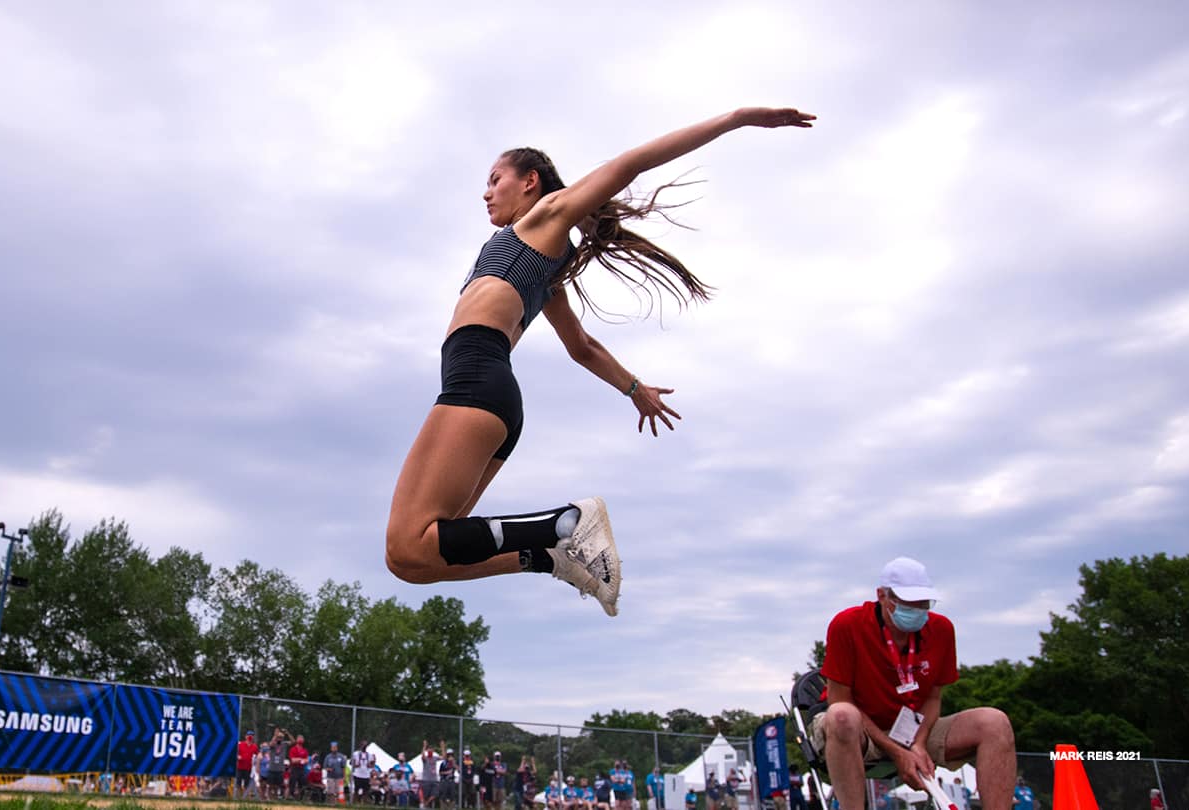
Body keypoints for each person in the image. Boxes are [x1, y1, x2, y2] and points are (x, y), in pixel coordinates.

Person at [383, 106, 816, 617]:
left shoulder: (547, 217)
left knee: (407, 543)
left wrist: (737, 119)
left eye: (494, 179)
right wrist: (635, 389)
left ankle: (566, 526)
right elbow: (581, 347)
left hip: (477, 378)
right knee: (421, 560)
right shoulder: (544, 268)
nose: (485, 192)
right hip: (494, 396)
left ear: (530, 182)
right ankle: (548, 555)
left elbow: (630, 163)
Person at [815, 557, 1017, 810]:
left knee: (994, 722)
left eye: (923, 603)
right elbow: (839, 699)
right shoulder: (847, 625)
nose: (917, 609)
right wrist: (898, 752)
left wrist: (918, 744)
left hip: (914, 730)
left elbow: (933, 698)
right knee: (841, 715)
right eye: (907, 602)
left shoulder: (942, 629)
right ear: (882, 596)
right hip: (861, 732)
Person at [236, 731, 258, 800]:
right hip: (240, 767)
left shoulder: (254, 747)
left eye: (252, 735)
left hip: (248, 768)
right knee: (238, 783)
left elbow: (257, 756)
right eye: (249, 735)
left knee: (246, 783)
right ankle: (238, 797)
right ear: (246, 736)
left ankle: (245, 797)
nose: (250, 736)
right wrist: (238, 757)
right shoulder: (240, 744)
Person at [291, 734, 311, 799]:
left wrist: (299, 759)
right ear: (296, 740)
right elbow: (293, 760)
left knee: (302, 783)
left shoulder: (304, 750)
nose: (300, 740)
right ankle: (292, 796)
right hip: (294, 768)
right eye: (299, 738)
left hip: (302, 769)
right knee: (293, 782)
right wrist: (300, 759)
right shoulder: (293, 749)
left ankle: (300, 797)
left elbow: (307, 760)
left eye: (302, 738)